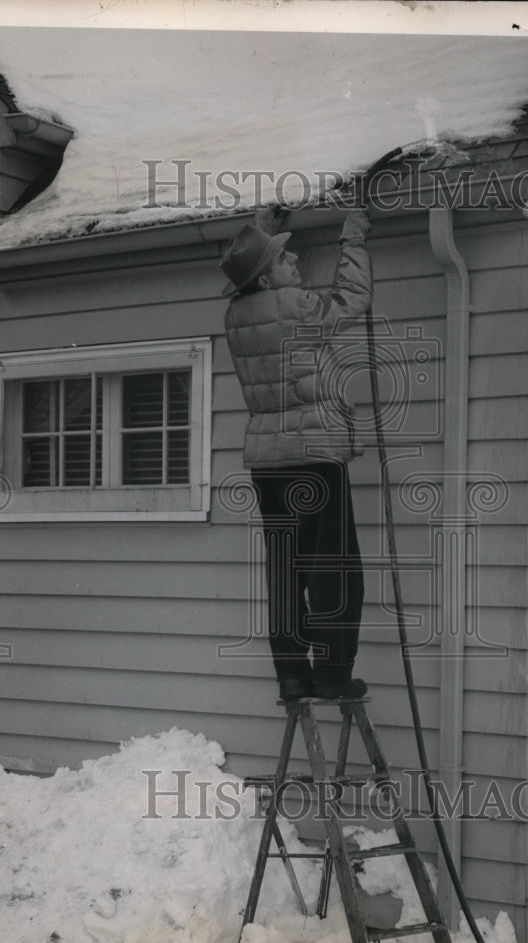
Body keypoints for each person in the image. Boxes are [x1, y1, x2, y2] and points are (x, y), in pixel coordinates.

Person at [220, 207, 372, 700]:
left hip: (268, 464)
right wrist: (353, 236)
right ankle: (332, 675)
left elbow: (253, 271)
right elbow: (352, 299)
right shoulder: (297, 305)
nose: (296, 262)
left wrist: (262, 230)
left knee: (285, 568)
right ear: (266, 278)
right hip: (315, 454)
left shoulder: (235, 316)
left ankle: (291, 672)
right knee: (333, 566)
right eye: (285, 259)